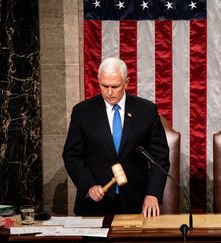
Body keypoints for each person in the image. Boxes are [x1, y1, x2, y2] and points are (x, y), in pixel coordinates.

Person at [63, 57, 170, 217]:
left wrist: (153, 194)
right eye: (104, 86)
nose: (109, 92)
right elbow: (72, 155)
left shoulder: (146, 111)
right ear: (98, 80)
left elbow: (159, 157)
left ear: (126, 82)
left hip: (136, 203)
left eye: (115, 86)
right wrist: (89, 186)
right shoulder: (82, 112)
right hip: (95, 205)